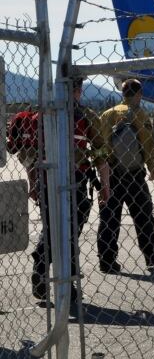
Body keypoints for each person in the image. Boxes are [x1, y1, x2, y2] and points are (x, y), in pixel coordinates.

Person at [17, 78, 110, 304]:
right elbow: (101, 155)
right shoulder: (85, 116)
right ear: (77, 90)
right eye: (78, 89)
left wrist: (34, 183)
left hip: (47, 179)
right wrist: (105, 186)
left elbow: (31, 156)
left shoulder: (43, 115)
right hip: (74, 180)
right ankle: (68, 286)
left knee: (51, 227)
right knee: (69, 233)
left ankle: (42, 265)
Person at [97, 78, 154, 273]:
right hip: (134, 174)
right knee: (143, 214)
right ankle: (151, 252)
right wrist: (151, 166)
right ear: (138, 94)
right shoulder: (139, 113)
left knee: (109, 217)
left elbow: (101, 143)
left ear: (123, 94)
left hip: (111, 172)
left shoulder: (107, 114)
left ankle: (107, 260)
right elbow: (147, 143)